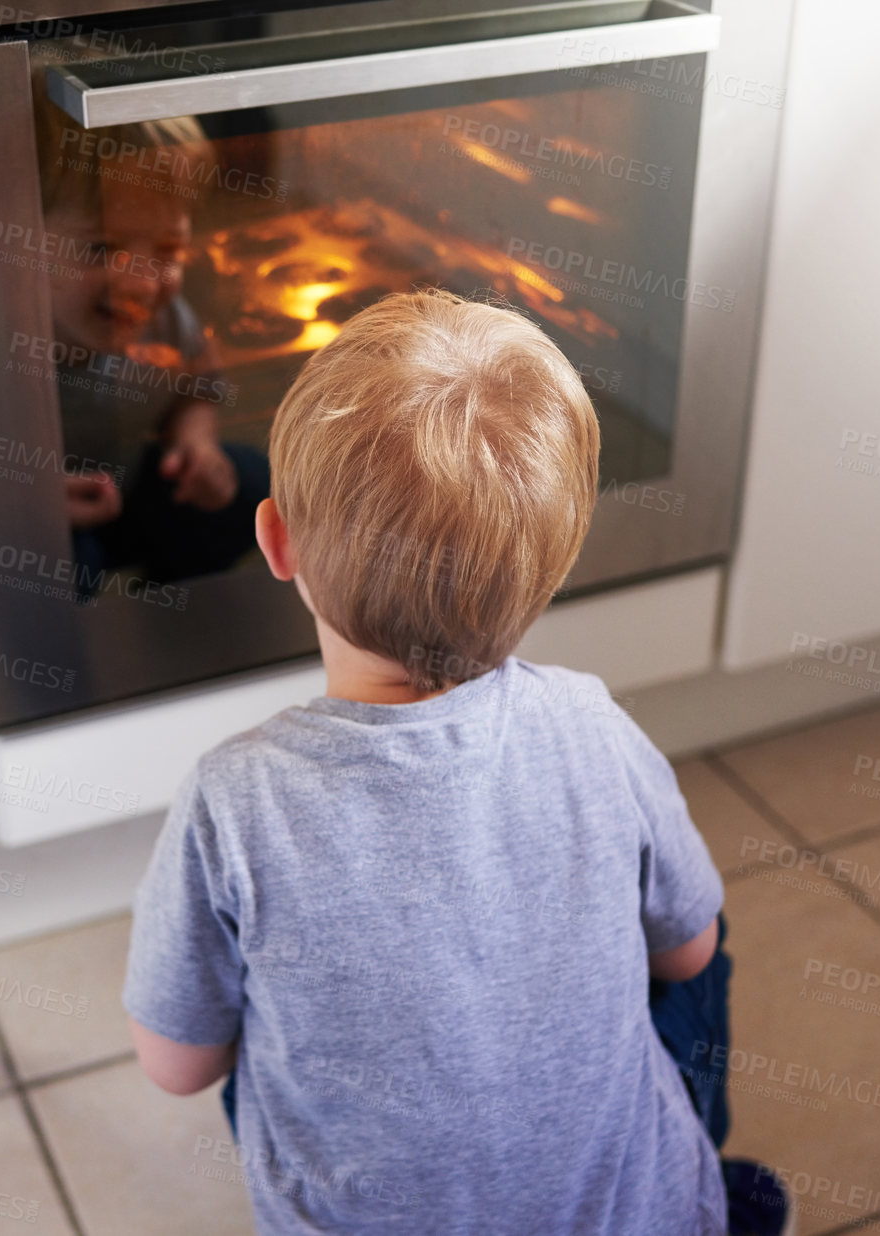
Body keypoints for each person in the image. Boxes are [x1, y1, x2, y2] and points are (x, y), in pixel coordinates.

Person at [121, 289, 793, 1235]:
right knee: (697, 956)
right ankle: (704, 1197)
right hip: (633, 1219)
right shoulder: (588, 721)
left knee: (260, 1056)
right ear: (550, 570)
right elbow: (685, 947)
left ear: (275, 541)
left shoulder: (233, 800)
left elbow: (177, 1063)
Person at [35, 105, 270, 587]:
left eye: (167, 251)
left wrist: (196, 443)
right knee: (62, 564)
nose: (141, 285)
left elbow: (196, 385)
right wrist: (30, 499)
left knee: (255, 484)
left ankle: (172, 595)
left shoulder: (162, 316)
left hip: (142, 483)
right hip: (55, 515)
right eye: (101, 249)